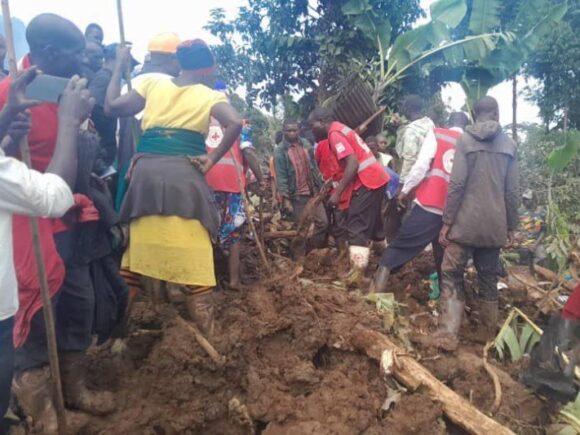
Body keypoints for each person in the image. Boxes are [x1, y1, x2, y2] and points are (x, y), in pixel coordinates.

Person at [105, 39, 242, 335]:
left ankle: (117, 337)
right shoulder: (208, 95)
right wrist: (210, 160)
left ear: (178, 63)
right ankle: (210, 334)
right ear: (209, 69)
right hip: (184, 179)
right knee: (196, 259)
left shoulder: (152, 82)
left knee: (135, 258)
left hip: (145, 179)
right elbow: (235, 123)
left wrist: (118, 64)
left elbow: (111, 106)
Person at [0, 69, 92, 435]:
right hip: (29, 208)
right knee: (31, 320)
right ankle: (45, 419)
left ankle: (70, 394)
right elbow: (50, 197)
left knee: (77, 304)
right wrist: (69, 121)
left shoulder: (16, 97)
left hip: (50, 215)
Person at [429, 97, 519, 351]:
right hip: (494, 226)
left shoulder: (465, 141)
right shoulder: (510, 145)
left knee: (450, 271)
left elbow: (456, 185)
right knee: (489, 277)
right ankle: (489, 334)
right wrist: (512, 226)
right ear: (497, 113)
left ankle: (448, 330)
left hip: (464, 225)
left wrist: (447, 222)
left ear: (474, 114)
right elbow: (512, 192)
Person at [370, 112, 469, 293]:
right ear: (466, 126)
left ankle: (374, 291)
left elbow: (421, 165)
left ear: (448, 122)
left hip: (430, 204)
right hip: (455, 212)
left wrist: (405, 190)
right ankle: (447, 306)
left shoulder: (438, 134)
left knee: (402, 244)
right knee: (444, 256)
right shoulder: (471, 143)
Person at [308, 108, 389, 284]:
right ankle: (388, 263)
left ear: (322, 121)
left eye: (312, 125)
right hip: (377, 179)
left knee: (356, 227)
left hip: (368, 181)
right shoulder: (341, 129)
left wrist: (337, 193)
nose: (311, 129)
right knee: (375, 226)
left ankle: (357, 274)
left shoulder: (334, 134)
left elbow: (352, 163)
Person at [205, 92, 264, 290]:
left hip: (204, 187)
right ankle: (233, 281)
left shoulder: (200, 123)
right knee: (234, 235)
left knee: (205, 232)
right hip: (232, 187)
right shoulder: (241, 126)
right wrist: (261, 179)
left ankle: (206, 282)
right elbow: (247, 151)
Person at [274, 119, 328, 252]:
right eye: (289, 130)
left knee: (323, 223)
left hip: (312, 192)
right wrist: (285, 199)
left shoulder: (306, 144)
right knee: (301, 228)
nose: (292, 133)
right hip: (296, 196)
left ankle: (312, 252)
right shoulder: (280, 151)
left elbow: (314, 166)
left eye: (294, 130)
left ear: (299, 130)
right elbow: (281, 176)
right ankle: (298, 258)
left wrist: (320, 185)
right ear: (283, 131)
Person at [89, 43, 139, 170]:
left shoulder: (108, 78)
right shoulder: (104, 78)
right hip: (101, 150)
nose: (131, 67)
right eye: (128, 62)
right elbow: (94, 111)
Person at [395, 95, 436, 183]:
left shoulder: (411, 131)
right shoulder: (430, 124)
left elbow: (409, 158)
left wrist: (402, 183)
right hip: (427, 176)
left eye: (404, 107)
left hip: (413, 179)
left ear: (408, 108)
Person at [517, 189, 547, 268]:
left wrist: (535, 245)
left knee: (541, 258)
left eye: (527, 200)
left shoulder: (541, 212)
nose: (524, 201)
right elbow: (517, 230)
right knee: (524, 267)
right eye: (523, 199)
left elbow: (543, 230)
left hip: (537, 243)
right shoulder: (519, 212)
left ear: (533, 200)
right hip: (523, 244)